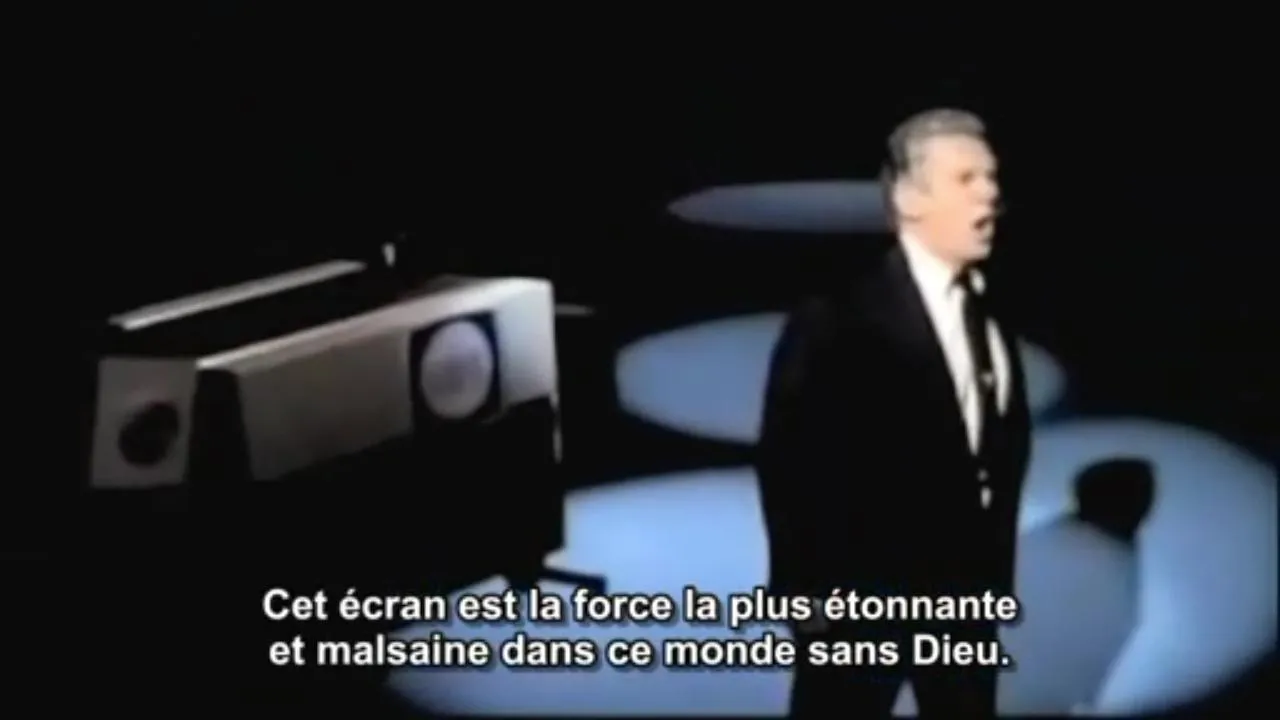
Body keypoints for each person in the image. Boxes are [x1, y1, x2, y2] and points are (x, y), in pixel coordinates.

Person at [757, 108, 1031, 717]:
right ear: (909, 198)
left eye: (992, 177)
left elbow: (992, 455)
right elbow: (791, 463)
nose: (990, 193)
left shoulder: (991, 316)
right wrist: (804, 594)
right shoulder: (837, 318)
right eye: (967, 179)